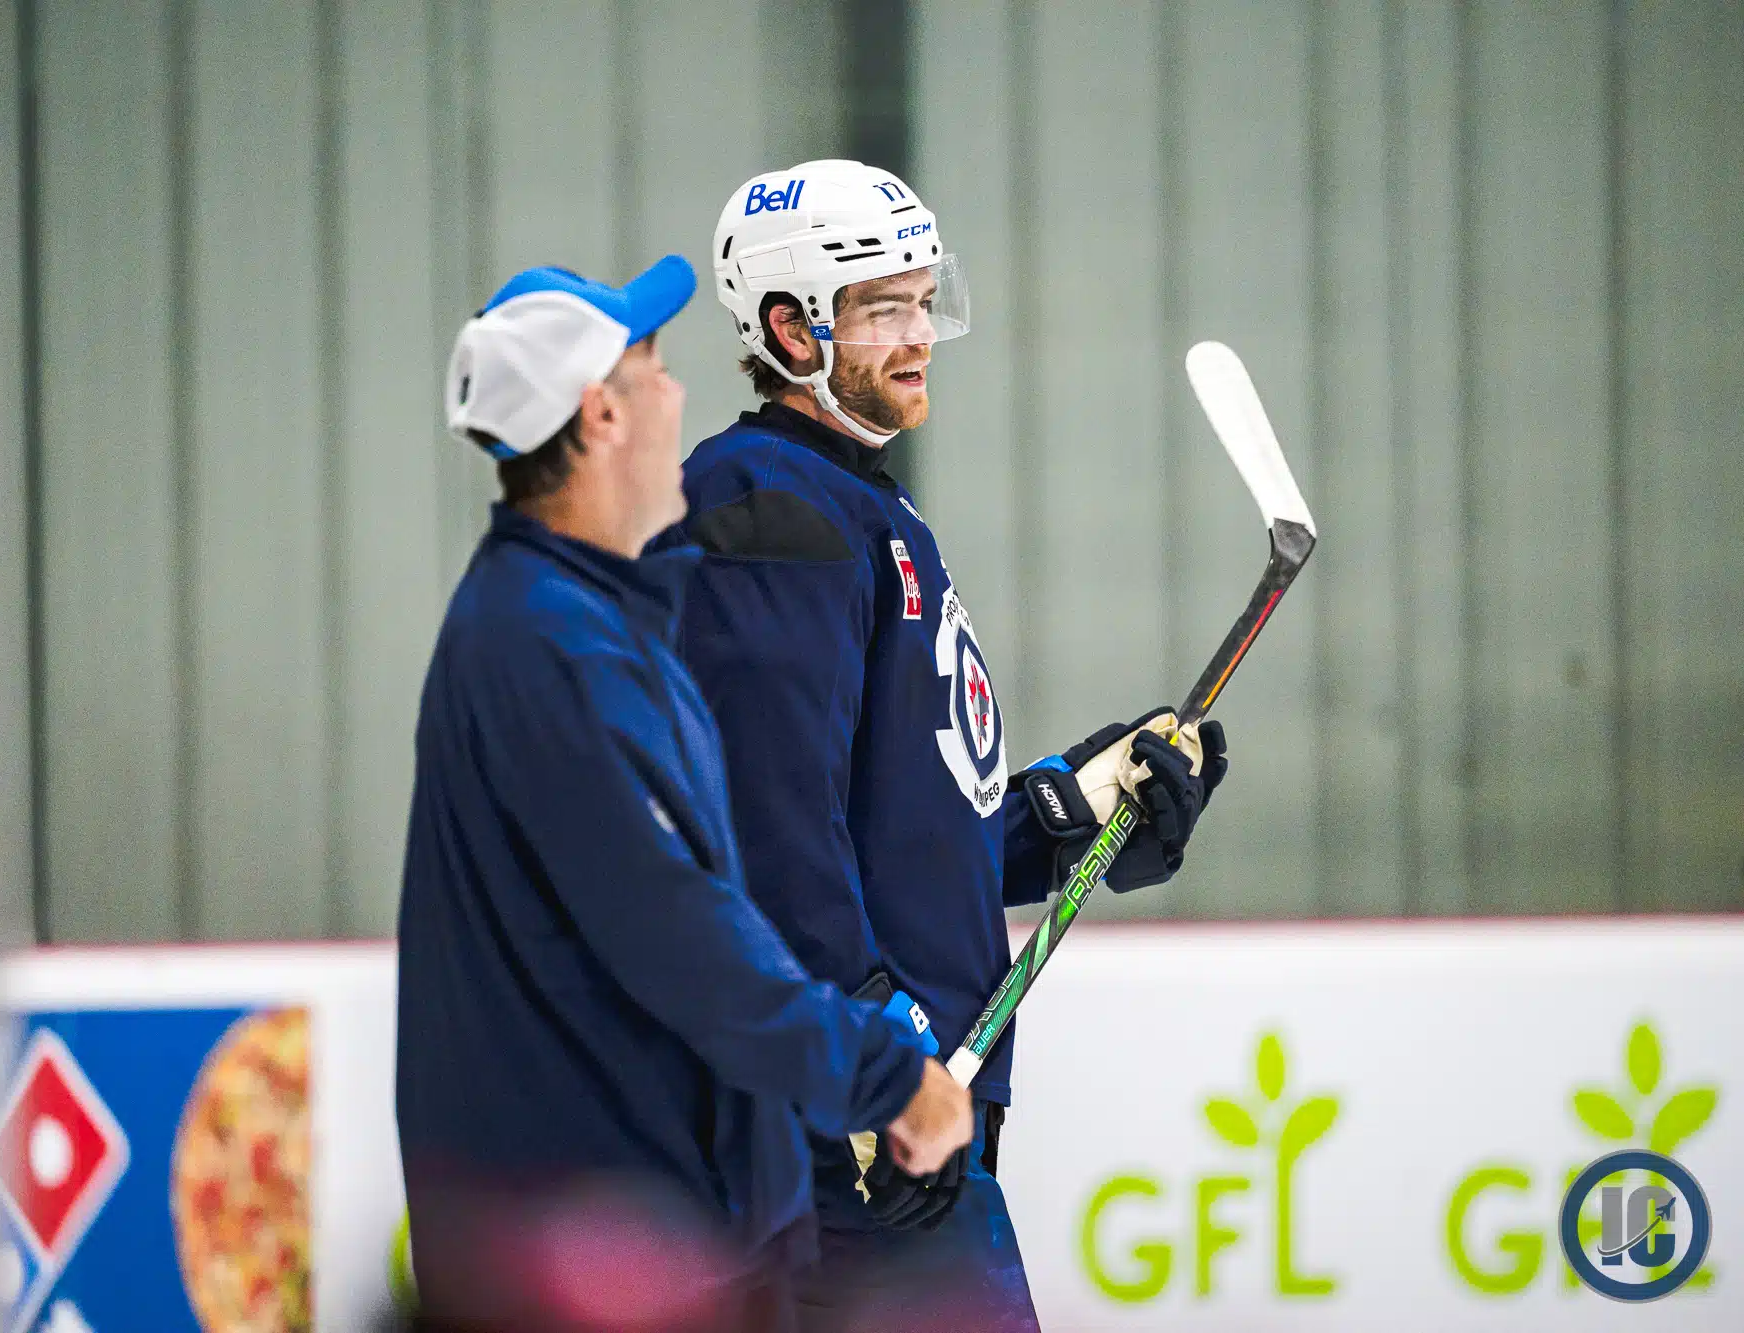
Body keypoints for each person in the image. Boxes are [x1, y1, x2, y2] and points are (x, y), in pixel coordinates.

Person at [662, 161, 1230, 1331]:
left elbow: (905, 835)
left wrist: (1078, 803)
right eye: (883, 309)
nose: (921, 335)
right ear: (790, 328)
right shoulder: (763, 507)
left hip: (891, 1123)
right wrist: (869, 1057)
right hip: (836, 1131)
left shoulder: (867, 511)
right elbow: (768, 828)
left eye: (924, 301)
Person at [395, 254, 974, 1333]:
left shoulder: (598, 623)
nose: (678, 392)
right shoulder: (550, 650)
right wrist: (883, 1072)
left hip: (672, 1237)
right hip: (598, 1256)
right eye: (653, 367)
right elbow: (683, 936)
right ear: (601, 414)